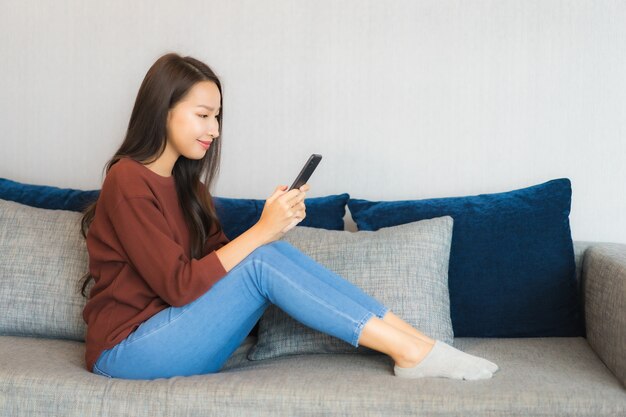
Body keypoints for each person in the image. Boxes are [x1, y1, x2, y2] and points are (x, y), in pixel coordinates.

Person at [78, 52, 499, 381]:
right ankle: (411, 353)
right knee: (264, 255)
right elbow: (180, 286)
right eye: (203, 115)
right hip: (126, 351)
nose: (215, 129)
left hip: (179, 335)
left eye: (217, 117)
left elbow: (221, 268)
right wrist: (261, 232)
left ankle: (418, 344)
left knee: (270, 252)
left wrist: (269, 225)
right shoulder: (128, 180)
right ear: (162, 111)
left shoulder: (190, 190)